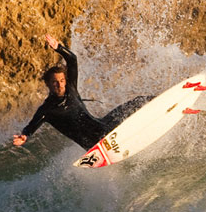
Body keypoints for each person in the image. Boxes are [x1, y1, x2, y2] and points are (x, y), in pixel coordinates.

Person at [13, 34, 151, 150]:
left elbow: (72, 60)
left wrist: (58, 48)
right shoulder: (47, 110)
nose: (59, 84)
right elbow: (31, 127)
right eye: (55, 82)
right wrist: (25, 135)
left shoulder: (71, 88)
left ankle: (161, 101)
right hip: (94, 145)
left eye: (61, 80)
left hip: (105, 128)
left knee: (139, 101)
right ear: (48, 84)